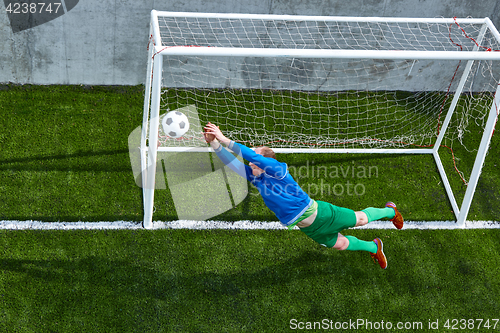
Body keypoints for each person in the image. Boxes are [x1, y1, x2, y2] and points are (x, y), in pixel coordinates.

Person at [203, 122, 403, 269]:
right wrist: (214, 144)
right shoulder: (257, 178)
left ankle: (390, 210)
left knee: (361, 220)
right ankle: (374, 246)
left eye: (256, 157)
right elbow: (234, 165)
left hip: (322, 214)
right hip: (308, 227)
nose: (250, 162)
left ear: (265, 160)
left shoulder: (278, 171)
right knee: (341, 245)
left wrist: (224, 139)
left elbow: (251, 157)